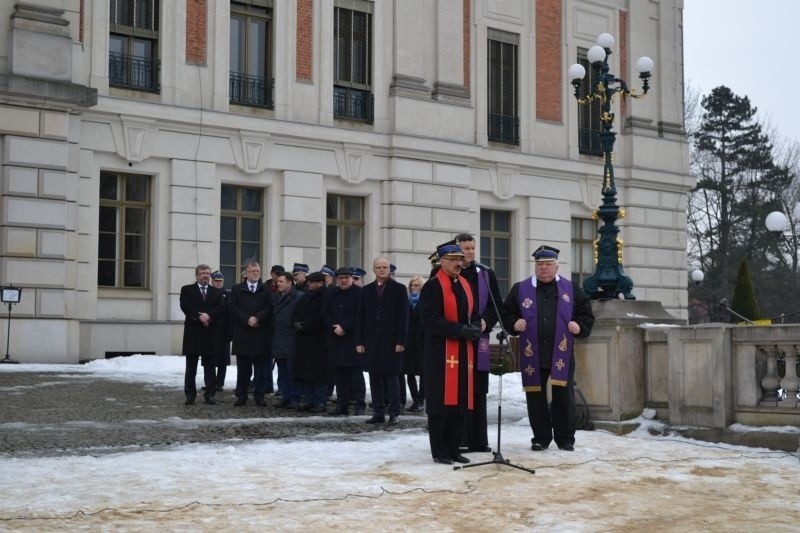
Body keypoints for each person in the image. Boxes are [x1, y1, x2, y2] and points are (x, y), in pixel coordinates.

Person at [501, 245, 595, 452]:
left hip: (560, 353)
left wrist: (579, 326)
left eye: (548, 265)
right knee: (535, 397)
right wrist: (514, 322)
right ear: (535, 266)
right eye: (540, 264)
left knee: (564, 396)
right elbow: (506, 313)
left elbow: (587, 315)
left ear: (556, 267)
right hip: (532, 353)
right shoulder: (520, 289)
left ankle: (565, 438)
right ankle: (541, 437)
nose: (543, 268)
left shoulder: (571, 289)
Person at [419, 242, 481, 465]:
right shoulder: (433, 287)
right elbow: (430, 320)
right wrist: (459, 330)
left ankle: (454, 448)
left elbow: (474, 312)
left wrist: (475, 325)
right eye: (453, 259)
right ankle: (440, 451)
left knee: (460, 401)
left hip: (464, 351)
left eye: (460, 259)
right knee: (441, 404)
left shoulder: (465, 284)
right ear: (442, 261)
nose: (458, 263)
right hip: (440, 354)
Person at [455, 233, 502, 453]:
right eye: (466, 248)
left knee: (478, 389)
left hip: (480, 339)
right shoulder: (448, 272)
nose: (470, 252)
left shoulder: (485, 273)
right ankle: (460, 438)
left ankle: (478, 439)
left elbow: (496, 305)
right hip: (457, 340)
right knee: (460, 387)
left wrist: (487, 321)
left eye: (473, 248)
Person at [356, 257, 408, 425]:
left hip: (392, 341)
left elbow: (403, 318)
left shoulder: (399, 289)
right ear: (374, 270)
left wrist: (401, 341)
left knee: (391, 378)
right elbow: (361, 317)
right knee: (374, 378)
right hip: (371, 341)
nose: (382, 270)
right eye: (379, 267)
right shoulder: (366, 290)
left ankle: (394, 412)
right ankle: (378, 412)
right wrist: (359, 342)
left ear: (389, 270)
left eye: (385, 267)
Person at [229, 261, 275, 406]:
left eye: (258, 271)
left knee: (260, 369)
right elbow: (233, 308)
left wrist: (257, 318)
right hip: (243, 334)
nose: (256, 273)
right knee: (243, 368)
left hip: (260, 334)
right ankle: (241, 395)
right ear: (246, 273)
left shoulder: (266, 289)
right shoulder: (236, 289)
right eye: (253, 271)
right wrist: (247, 319)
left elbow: (270, 306)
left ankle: (259, 395)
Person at [179, 264, 225, 405]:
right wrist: (198, 316)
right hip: (193, 332)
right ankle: (190, 395)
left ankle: (210, 394)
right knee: (191, 366)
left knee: (210, 367)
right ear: (197, 275)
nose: (206, 275)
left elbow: (221, 307)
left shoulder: (216, 292)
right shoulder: (187, 290)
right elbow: (185, 306)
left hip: (209, 332)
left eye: (207, 273)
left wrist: (208, 316)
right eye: (203, 273)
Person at [324, 267, 366, 416]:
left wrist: (344, 326)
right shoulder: (331, 293)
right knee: (338, 374)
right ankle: (342, 405)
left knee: (355, 374)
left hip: (353, 338)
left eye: (346, 278)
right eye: (340, 278)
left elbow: (359, 314)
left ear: (351, 278)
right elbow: (325, 312)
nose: (343, 280)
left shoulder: (360, 293)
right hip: (335, 337)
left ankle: (360, 404)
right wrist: (334, 326)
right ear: (336, 279)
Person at [292, 271, 329, 413]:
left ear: (320, 283)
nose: (309, 284)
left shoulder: (325, 296)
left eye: (312, 282)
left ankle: (319, 401)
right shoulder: (306, 296)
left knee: (318, 373)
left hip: (318, 339)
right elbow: (297, 312)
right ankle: (308, 399)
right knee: (306, 371)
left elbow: (321, 315)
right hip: (304, 339)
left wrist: (306, 325)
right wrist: (296, 324)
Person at [272, 271, 303, 408]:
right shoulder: (276, 297)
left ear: (289, 283)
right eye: (277, 281)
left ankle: (295, 398)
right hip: (278, 338)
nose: (277, 284)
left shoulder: (299, 297)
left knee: (293, 371)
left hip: (292, 339)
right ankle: (285, 396)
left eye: (281, 281)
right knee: (282, 371)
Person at [404, 275, 426, 413]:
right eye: (412, 285)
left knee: (423, 373)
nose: (413, 288)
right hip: (408, 341)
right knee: (409, 372)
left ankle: (421, 400)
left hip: (422, 341)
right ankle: (415, 400)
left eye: (416, 285)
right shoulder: (406, 302)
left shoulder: (425, 302)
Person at [210, 270, 231, 392]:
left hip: (223, 332)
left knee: (223, 361)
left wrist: (229, 333)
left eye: (221, 281)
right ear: (212, 281)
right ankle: (211, 382)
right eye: (216, 281)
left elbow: (230, 315)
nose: (218, 283)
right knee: (210, 360)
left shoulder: (228, 295)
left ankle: (220, 383)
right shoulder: (208, 294)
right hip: (211, 332)